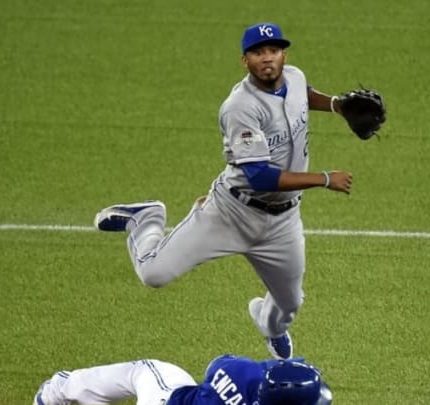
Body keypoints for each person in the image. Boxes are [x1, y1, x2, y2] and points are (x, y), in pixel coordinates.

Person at [94, 22, 355, 360]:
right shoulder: (240, 107)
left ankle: (269, 326)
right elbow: (260, 176)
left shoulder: (294, 76)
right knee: (154, 274)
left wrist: (336, 105)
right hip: (231, 213)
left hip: (283, 223)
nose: (267, 59)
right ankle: (146, 219)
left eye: (273, 51)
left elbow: (301, 95)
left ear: (283, 54)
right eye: (258, 53)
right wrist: (324, 179)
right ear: (244, 60)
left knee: (289, 305)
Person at [33, 354, 333, 405]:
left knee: (144, 370)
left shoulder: (242, 372)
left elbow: (217, 365)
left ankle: (56, 392)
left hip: (165, 398)